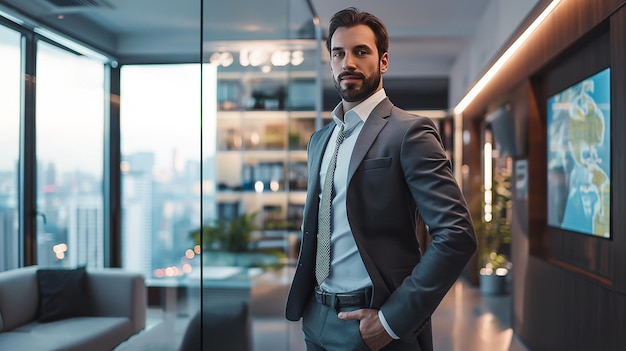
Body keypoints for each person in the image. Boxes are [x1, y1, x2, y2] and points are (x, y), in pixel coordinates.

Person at [285, 7, 477, 351]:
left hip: (373, 322)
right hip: (315, 318)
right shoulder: (320, 140)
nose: (348, 63)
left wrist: (391, 322)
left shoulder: (410, 132)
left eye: (361, 51)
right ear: (329, 62)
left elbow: (457, 235)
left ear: (383, 61)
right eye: (338, 53)